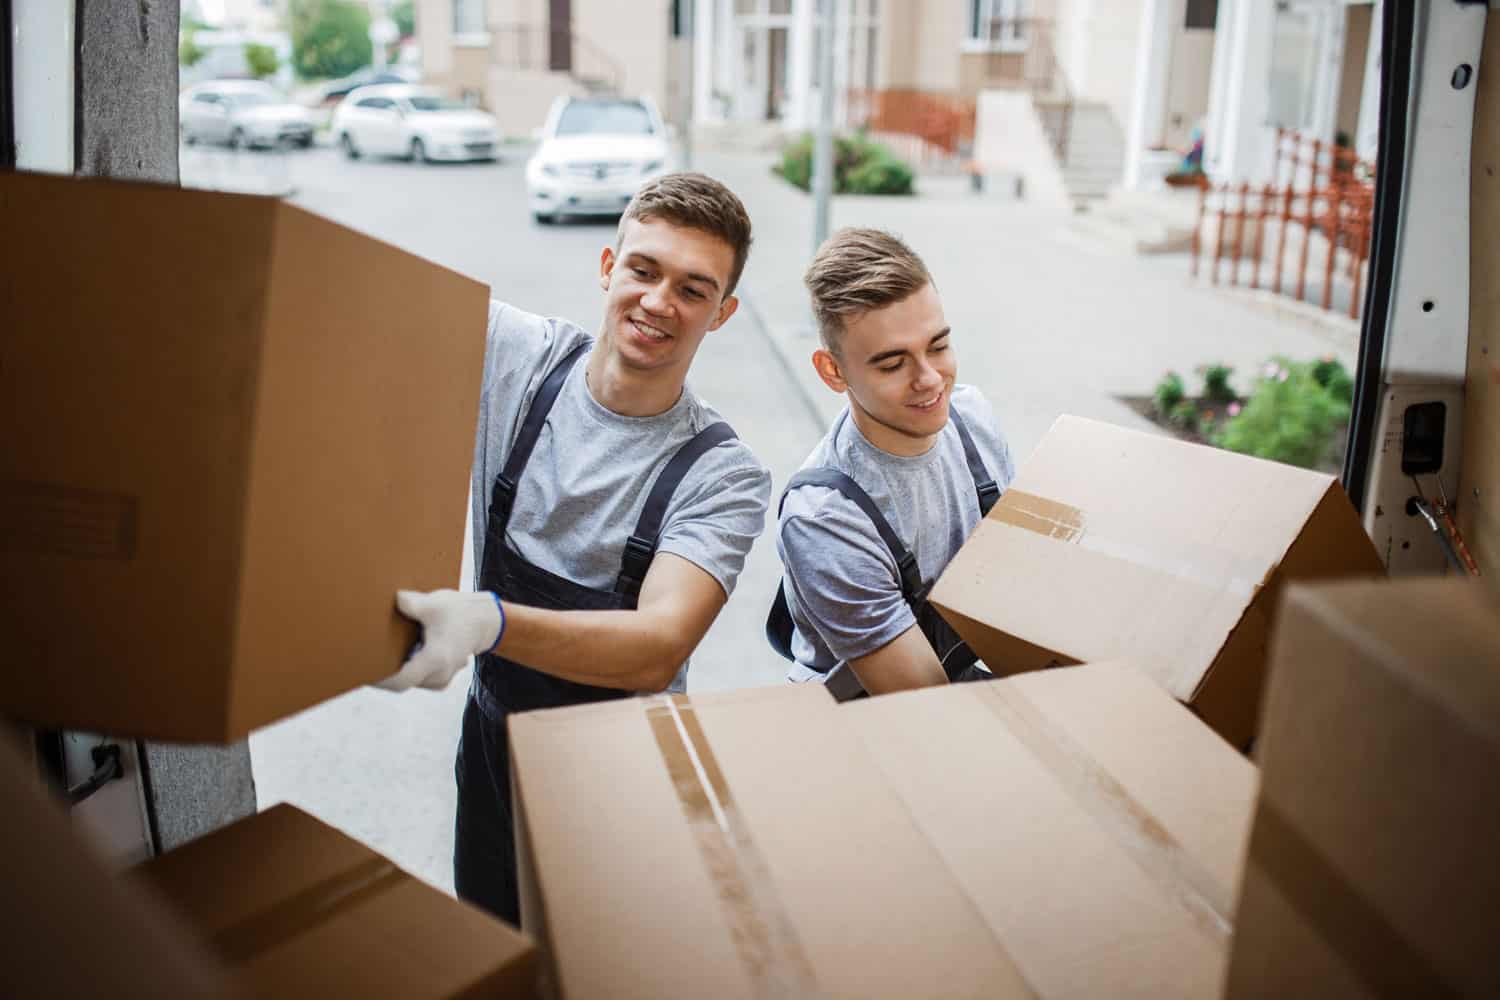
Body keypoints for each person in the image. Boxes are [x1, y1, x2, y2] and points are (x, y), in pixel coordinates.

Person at [381, 173, 771, 925]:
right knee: (491, 943)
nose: (660, 302)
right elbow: (371, 300)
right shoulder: (519, 359)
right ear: (607, 267)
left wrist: (487, 624)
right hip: (492, 747)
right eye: (644, 270)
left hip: (621, 779)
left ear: (722, 314)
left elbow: (657, 646)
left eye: (694, 290)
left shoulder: (723, 474)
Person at [766, 228, 1015, 701]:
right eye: (892, 364)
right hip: (874, 719)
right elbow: (923, 701)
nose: (929, 380)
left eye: (938, 346)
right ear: (832, 371)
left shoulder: (974, 419)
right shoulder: (824, 518)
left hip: (958, 686)